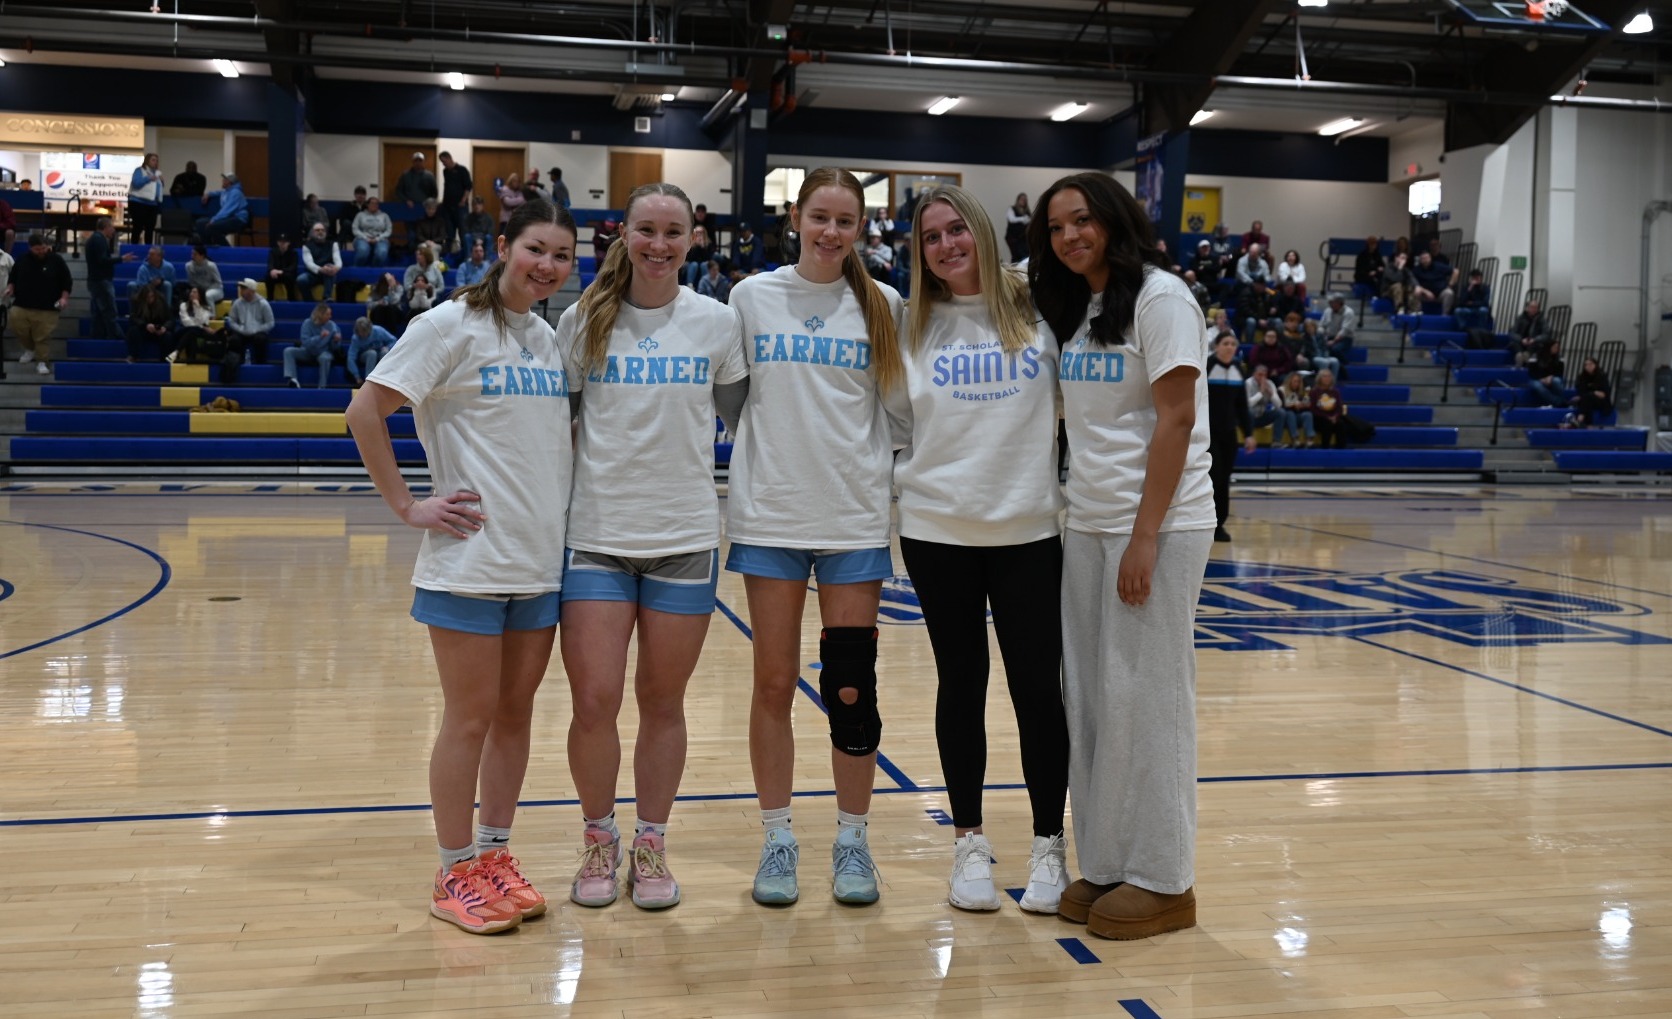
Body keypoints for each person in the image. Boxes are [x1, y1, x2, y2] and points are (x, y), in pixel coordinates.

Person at [344, 198, 579, 935]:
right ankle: (452, 870)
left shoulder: (546, 339)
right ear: (503, 245)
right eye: (535, 249)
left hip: (538, 566)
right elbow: (364, 410)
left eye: (562, 256)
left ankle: (494, 857)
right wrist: (408, 505)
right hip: (469, 562)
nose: (547, 266)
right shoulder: (449, 324)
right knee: (470, 719)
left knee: (515, 718)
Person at [1026, 171, 1214, 941]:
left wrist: (1145, 534)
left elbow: (1175, 420)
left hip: (1158, 529)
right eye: (1058, 226)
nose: (1071, 235)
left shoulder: (1161, 298)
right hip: (1089, 521)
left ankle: (1165, 878)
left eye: (1083, 220)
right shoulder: (1080, 306)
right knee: (1095, 698)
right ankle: (1104, 860)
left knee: (1150, 694)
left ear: (1114, 219)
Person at [551, 182, 747, 913]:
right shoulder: (583, 319)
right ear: (623, 234)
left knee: (663, 701)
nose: (659, 244)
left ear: (694, 238)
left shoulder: (717, 324)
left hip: (685, 537)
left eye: (674, 231)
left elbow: (740, 424)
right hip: (598, 536)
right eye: (646, 230)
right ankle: (599, 838)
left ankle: (652, 842)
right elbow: (554, 427)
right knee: (595, 700)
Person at [727, 167, 906, 908]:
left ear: (861, 229)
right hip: (771, 511)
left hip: (852, 516)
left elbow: (899, 414)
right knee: (772, 681)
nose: (831, 232)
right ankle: (776, 836)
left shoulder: (883, 304)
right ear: (795, 217)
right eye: (820, 217)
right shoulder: (751, 298)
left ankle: (853, 840)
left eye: (846, 221)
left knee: (849, 687)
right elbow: (734, 403)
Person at [897, 183, 1070, 914]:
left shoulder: (1041, 308)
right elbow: (896, 427)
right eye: (931, 237)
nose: (947, 246)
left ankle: (1048, 847)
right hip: (939, 532)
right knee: (960, 685)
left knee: (1037, 690)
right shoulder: (909, 325)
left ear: (984, 232)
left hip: (1029, 529)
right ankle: (968, 840)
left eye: (957, 230)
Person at [1204, 332, 1258, 542]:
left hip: (1229, 435)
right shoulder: (1207, 366)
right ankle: (1205, 522)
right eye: (1225, 343)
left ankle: (1219, 524)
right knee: (1213, 477)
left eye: (1233, 344)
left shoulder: (1237, 369)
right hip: (1208, 434)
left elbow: (1242, 406)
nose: (1229, 347)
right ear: (1216, 346)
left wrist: (1249, 433)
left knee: (1223, 480)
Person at [6, 234, 72, 375]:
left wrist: (64, 298)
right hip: (22, 304)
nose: (41, 251)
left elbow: (67, 281)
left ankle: (42, 361)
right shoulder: (22, 259)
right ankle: (30, 348)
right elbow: (13, 277)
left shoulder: (57, 260)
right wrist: (10, 288)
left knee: (43, 336)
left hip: (48, 307)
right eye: (37, 249)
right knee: (16, 323)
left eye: (43, 248)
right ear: (30, 248)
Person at [84, 215, 135, 341]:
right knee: (109, 311)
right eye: (112, 227)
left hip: (95, 280)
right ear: (106, 227)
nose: (114, 230)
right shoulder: (99, 240)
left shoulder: (95, 239)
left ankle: (98, 337)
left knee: (99, 313)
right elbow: (102, 260)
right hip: (101, 281)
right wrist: (121, 259)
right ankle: (116, 338)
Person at [223, 278, 274, 383]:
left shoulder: (263, 304)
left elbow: (270, 323)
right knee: (234, 340)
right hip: (242, 331)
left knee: (261, 339)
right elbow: (231, 321)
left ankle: (260, 366)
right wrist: (240, 329)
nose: (240, 290)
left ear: (251, 290)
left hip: (257, 332)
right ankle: (236, 365)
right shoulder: (237, 303)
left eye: (243, 288)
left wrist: (257, 329)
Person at [284, 302, 343, 388]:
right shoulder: (307, 323)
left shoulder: (332, 326)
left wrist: (336, 341)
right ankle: (293, 379)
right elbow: (306, 343)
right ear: (321, 315)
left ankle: (322, 386)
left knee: (325, 357)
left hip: (323, 352)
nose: (330, 317)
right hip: (308, 351)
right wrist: (319, 337)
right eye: (327, 314)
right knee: (288, 351)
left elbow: (334, 348)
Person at [125, 279, 174, 363]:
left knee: (168, 336)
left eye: (152, 297)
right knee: (133, 331)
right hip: (144, 329)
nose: (150, 299)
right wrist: (145, 325)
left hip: (159, 330)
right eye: (147, 297)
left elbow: (170, 319)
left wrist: (164, 327)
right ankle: (133, 356)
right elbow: (133, 318)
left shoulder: (162, 301)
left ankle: (165, 359)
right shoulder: (137, 302)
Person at [172, 285, 223, 364]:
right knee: (193, 330)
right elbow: (186, 322)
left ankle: (179, 353)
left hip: (195, 334)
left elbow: (203, 321)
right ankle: (187, 356)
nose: (191, 294)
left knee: (193, 332)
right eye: (191, 292)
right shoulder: (183, 306)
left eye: (195, 292)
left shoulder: (207, 308)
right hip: (183, 332)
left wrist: (197, 307)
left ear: (200, 295)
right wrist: (202, 327)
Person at [300, 221, 349, 302]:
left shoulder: (333, 244)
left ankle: (327, 297)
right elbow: (309, 263)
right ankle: (309, 301)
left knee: (330, 268)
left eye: (322, 230)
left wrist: (336, 268)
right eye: (317, 230)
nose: (320, 232)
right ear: (312, 232)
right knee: (301, 280)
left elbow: (338, 260)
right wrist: (321, 269)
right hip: (314, 274)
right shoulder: (306, 246)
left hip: (329, 274)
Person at [198, 172, 250, 246]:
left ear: (230, 182)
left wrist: (214, 220)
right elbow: (217, 193)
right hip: (228, 218)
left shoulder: (236, 193)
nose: (222, 181)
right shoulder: (226, 191)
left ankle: (227, 250)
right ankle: (207, 248)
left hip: (238, 219)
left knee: (213, 226)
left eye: (225, 179)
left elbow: (226, 210)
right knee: (200, 223)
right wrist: (208, 194)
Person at [344, 315, 398, 387]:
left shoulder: (378, 330)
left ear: (369, 328)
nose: (362, 334)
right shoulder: (356, 338)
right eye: (360, 331)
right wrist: (356, 376)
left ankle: (385, 379)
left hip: (380, 353)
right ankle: (369, 381)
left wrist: (388, 347)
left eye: (364, 331)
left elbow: (393, 340)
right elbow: (351, 357)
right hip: (365, 356)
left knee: (384, 352)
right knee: (372, 353)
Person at [127, 152, 165, 246]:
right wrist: (148, 178)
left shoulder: (158, 174)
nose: (155, 162)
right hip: (138, 203)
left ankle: (148, 249)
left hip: (152, 205)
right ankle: (134, 247)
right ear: (147, 160)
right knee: (138, 227)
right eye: (153, 160)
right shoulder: (139, 171)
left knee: (150, 229)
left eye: (156, 160)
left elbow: (158, 190)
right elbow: (136, 183)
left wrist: (162, 182)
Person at [1317, 292, 1356, 379]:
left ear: (1339, 303)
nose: (1329, 303)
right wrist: (1321, 333)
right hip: (1329, 336)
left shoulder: (1349, 312)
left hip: (1345, 338)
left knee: (1334, 349)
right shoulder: (1327, 311)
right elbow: (1321, 325)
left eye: (1332, 302)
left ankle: (1344, 367)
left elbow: (1344, 331)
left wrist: (1333, 341)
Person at [438, 151, 473, 251]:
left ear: (449, 158)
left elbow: (468, 186)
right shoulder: (445, 171)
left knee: (463, 232)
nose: (443, 164)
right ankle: (449, 256)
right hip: (448, 207)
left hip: (460, 207)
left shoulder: (462, 170)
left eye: (444, 162)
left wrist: (463, 200)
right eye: (442, 162)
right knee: (449, 233)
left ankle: (465, 255)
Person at [1568, 356, 1612, 427]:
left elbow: (1604, 394)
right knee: (1588, 399)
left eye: (1590, 364)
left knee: (1587, 398)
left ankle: (1580, 419)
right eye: (1586, 364)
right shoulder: (1582, 377)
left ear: (1595, 365)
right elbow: (1582, 391)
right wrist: (1594, 392)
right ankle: (1588, 425)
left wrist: (1592, 393)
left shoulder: (1601, 377)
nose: (1588, 366)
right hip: (1588, 400)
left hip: (1601, 401)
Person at [1309, 368, 1348, 448]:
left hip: (1333, 418)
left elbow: (1339, 408)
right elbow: (1313, 409)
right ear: (1319, 378)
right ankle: (1325, 448)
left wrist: (1335, 417)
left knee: (1341, 424)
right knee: (1327, 424)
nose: (1327, 378)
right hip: (1319, 418)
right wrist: (1327, 417)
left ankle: (1340, 449)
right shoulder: (1314, 392)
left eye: (1329, 376)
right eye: (1324, 376)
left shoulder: (1335, 392)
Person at [1277, 370, 1315, 448]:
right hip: (1285, 419)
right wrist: (1293, 406)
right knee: (1290, 414)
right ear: (1289, 381)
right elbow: (1279, 407)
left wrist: (1304, 406)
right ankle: (1295, 439)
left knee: (1307, 414)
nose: (1296, 383)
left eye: (1298, 381)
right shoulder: (1281, 390)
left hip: (1297, 417)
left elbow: (1305, 406)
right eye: (1294, 381)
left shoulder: (1301, 391)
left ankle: (1309, 439)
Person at [1246, 362, 1282, 439]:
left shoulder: (1270, 384)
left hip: (1262, 416)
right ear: (1254, 374)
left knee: (1281, 413)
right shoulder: (1248, 383)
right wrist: (1261, 393)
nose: (1262, 378)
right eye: (1260, 375)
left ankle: (1276, 442)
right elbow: (1247, 404)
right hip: (1248, 417)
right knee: (1249, 412)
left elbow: (1279, 405)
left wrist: (1271, 393)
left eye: (1264, 375)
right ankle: (1250, 439)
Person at [353, 196, 393, 267]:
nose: (374, 205)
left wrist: (378, 239)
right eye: (372, 203)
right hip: (363, 238)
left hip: (380, 238)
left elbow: (388, 230)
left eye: (376, 204)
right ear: (367, 204)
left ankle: (374, 271)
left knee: (382, 252)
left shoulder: (384, 216)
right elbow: (355, 229)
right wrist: (365, 238)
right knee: (363, 251)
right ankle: (357, 270)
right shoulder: (360, 215)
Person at [1524, 339, 1566, 407]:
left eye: (1558, 347)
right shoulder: (1536, 356)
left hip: (1552, 378)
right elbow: (1532, 372)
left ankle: (1557, 403)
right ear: (1549, 347)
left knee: (1557, 381)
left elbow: (1560, 373)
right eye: (1555, 347)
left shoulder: (1559, 358)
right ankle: (1559, 402)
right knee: (1538, 386)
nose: (1557, 349)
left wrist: (1551, 377)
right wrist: (1541, 379)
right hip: (1536, 378)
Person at [1508, 299, 1549, 364]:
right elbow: (1512, 332)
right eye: (1531, 307)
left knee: (1537, 345)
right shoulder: (1520, 318)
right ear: (1527, 308)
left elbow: (1546, 335)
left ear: (1538, 309)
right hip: (1521, 341)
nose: (1533, 309)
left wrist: (1534, 339)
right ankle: (1520, 356)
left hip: (1534, 343)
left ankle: (1526, 356)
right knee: (1514, 342)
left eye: (1535, 307)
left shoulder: (1542, 320)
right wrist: (1521, 339)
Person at [266, 234, 301, 302]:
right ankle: (270, 299)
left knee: (289, 277)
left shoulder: (293, 253)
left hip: (287, 274)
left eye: (285, 242)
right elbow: (270, 264)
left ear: (288, 243)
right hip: (276, 275)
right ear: (278, 243)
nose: (283, 244)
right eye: (281, 242)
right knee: (268, 277)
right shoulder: (273, 252)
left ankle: (291, 299)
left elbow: (293, 267)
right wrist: (272, 270)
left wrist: (282, 271)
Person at [683, 224, 715, 288]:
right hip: (691, 264)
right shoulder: (689, 243)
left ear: (704, 233)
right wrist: (695, 246)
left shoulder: (708, 243)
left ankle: (706, 285)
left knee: (704, 264)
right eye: (697, 232)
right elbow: (689, 258)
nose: (699, 234)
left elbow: (708, 258)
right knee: (694, 264)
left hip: (704, 263)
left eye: (701, 232)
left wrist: (702, 247)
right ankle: (690, 285)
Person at [1004, 192, 1031, 263]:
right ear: (1018, 200)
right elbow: (1011, 219)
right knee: (1017, 256)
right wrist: (1023, 219)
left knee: (1025, 256)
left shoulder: (1027, 212)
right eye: (1022, 199)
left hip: (1023, 238)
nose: (1023, 201)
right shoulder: (1011, 209)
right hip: (1013, 238)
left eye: (1025, 200)